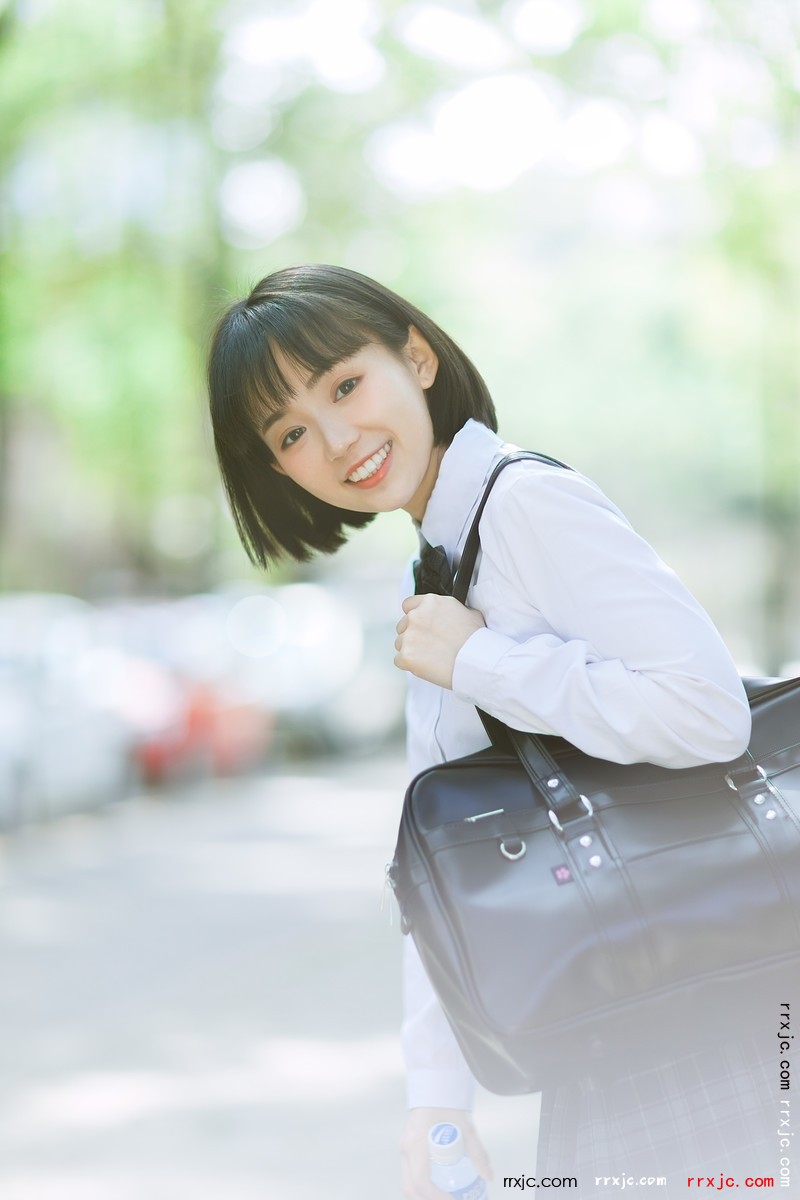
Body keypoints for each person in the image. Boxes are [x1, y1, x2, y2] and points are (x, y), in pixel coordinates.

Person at [207, 264, 775, 1199]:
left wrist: (483, 664)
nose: (338, 439)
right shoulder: (427, 575)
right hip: (613, 1028)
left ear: (417, 358)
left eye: (346, 385)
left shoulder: (525, 504)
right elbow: (446, 860)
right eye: (293, 432)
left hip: (703, 1026)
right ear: (279, 468)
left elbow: (706, 708)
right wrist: (436, 1097)